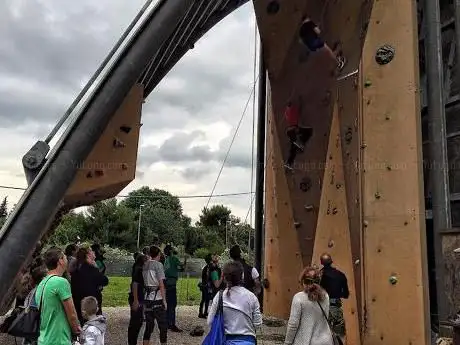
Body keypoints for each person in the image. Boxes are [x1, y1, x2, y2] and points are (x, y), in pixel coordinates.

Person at [207, 261, 262, 345]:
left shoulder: (219, 296)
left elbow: (210, 321)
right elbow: (257, 324)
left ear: (224, 277)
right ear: (242, 276)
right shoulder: (251, 297)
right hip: (248, 341)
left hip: (225, 341)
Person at [35, 247, 81, 345]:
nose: (66, 259)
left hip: (44, 339)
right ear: (60, 260)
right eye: (64, 257)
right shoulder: (61, 282)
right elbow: (72, 313)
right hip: (58, 339)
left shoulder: (42, 284)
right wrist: (77, 330)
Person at [284, 267, 334, 345]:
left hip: (306, 341)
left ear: (304, 281)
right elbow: (325, 318)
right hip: (326, 341)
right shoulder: (325, 296)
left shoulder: (299, 298)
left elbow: (293, 325)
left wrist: (287, 343)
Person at [71, 247, 109, 325]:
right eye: (91, 251)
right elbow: (105, 280)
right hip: (91, 306)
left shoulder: (77, 269)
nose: (94, 252)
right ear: (88, 255)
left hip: (79, 305)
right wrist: (97, 268)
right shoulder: (92, 269)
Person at [319, 253, 349, 341]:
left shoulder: (319, 275)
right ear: (331, 261)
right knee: (339, 334)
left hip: (321, 307)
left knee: (321, 335)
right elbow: (346, 294)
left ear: (321, 263)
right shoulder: (341, 275)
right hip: (335, 307)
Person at [142, 246, 168, 345]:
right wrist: (164, 300)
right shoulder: (158, 265)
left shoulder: (145, 264)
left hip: (147, 298)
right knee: (162, 325)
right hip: (157, 298)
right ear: (159, 254)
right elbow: (161, 283)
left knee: (149, 326)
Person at [283, 98, 314, 171]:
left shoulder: (287, 112)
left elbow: (292, 115)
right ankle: (300, 143)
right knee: (309, 131)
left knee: (293, 148)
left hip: (290, 131)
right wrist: (301, 102)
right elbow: (298, 110)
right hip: (294, 130)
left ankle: (289, 163)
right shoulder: (292, 110)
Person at [23, 265, 47, 345]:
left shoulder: (34, 291)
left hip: (32, 333)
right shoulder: (39, 292)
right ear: (43, 279)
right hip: (37, 334)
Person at [128, 253, 148, 345]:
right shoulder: (139, 270)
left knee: (137, 321)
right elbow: (135, 284)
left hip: (139, 297)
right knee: (136, 322)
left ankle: (132, 342)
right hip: (137, 298)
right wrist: (136, 300)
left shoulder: (138, 269)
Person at [163, 244, 184, 332]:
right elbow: (181, 266)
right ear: (171, 251)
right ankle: (172, 324)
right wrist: (184, 262)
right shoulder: (174, 258)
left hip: (166, 283)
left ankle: (167, 323)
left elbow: (174, 269)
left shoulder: (166, 260)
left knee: (168, 304)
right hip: (172, 284)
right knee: (172, 304)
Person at [198, 254, 213, 318]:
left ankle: (201, 312)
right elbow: (208, 277)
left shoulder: (205, 267)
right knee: (206, 299)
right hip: (206, 285)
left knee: (203, 299)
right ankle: (204, 312)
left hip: (204, 285)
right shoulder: (208, 267)